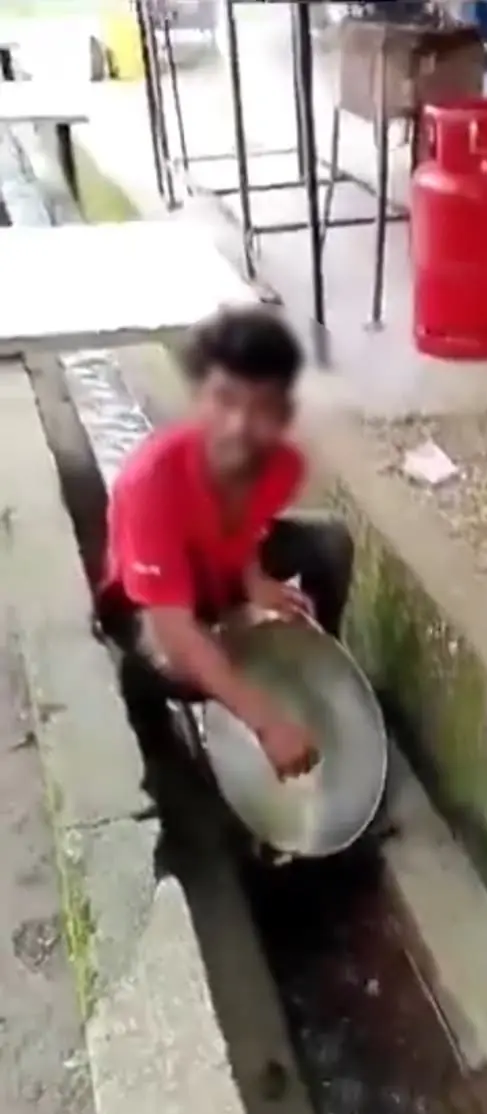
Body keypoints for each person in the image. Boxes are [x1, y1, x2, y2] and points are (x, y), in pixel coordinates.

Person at [95, 305, 354, 787]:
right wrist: (266, 719)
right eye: (225, 400)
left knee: (329, 543)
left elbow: (251, 524)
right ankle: (143, 695)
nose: (239, 425)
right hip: (147, 601)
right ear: (198, 397)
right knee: (188, 671)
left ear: (283, 415)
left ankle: (316, 668)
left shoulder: (282, 466)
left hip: (219, 570)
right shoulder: (149, 483)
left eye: (261, 408)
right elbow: (172, 628)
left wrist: (255, 581)